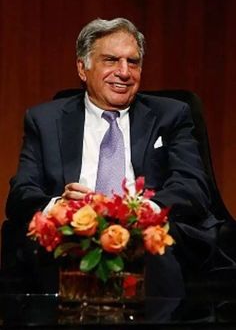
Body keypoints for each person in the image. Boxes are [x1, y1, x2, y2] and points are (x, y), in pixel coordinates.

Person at [5, 18, 219, 295]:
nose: (124, 72)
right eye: (110, 60)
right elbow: (21, 193)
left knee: (158, 255)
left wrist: (138, 213)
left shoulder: (172, 115)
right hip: (70, 239)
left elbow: (193, 186)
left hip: (152, 241)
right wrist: (60, 207)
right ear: (83, 68)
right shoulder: (45, 120)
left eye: (133, 62)